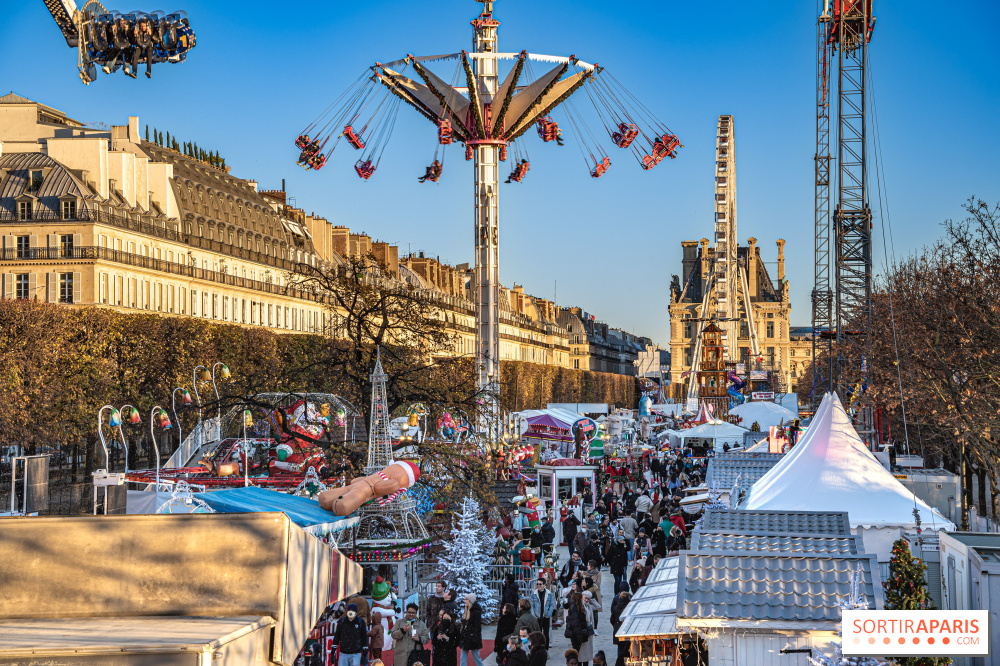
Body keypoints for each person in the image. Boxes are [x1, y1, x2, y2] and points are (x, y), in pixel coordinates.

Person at [459, 593, 484, 666]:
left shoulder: (475, 612)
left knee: (476, 657)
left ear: (470, 601)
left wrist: (473, 636)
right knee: (463, 658)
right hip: (466, 637)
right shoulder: (467, 610)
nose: (464, 601)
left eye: (466, 599)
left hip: (472, 637)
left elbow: (477, 627)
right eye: (465, 599)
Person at [529, 577, 555, 647]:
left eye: (540, 584)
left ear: (544, 585)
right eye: (537, 584)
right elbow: (531, 606)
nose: (538, 586)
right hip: (537, 616)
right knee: (537, 633)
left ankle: (546, 649)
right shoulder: (533, 594)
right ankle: (538, 647)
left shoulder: (549, 594)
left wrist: (549, 614)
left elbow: (552, 604)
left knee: (546, 634)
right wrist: (534, 615)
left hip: (546, 616)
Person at [584, 561, 602, 630]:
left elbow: (598, 584)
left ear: (592, 566)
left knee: (595, 611)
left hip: (595, 593)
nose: (587, 566)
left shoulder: (598, 573)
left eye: (588, 565)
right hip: (587, 593)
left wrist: (590, 584)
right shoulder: (586, 573)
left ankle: (595, 627)